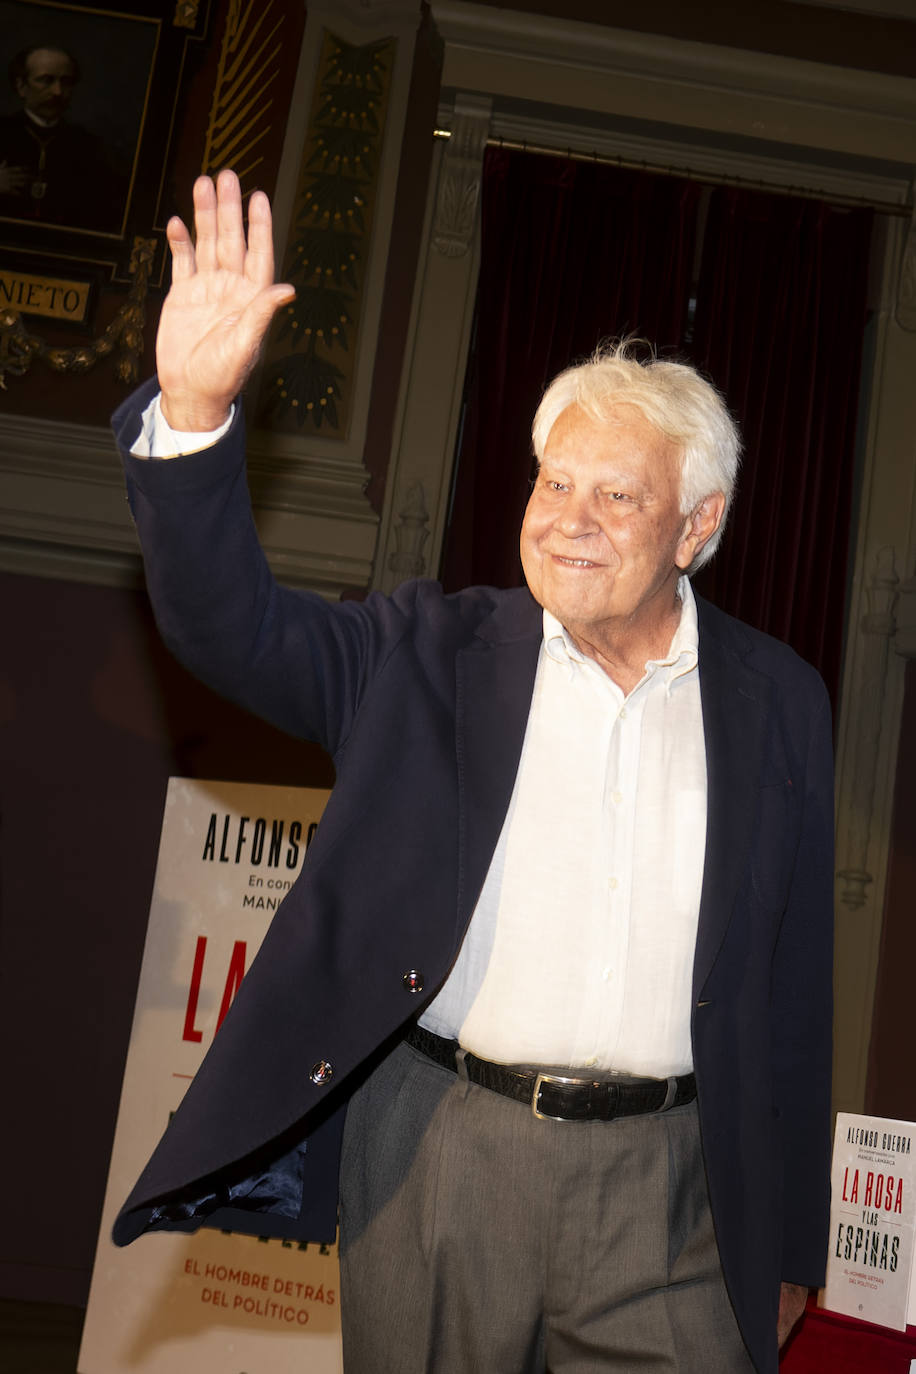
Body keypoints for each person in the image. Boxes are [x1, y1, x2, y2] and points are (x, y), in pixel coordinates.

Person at [110, 170, 834, 1374]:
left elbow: (795, 992)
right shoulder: (424, 652)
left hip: (676, 1196)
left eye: (615, 495)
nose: (569, 518)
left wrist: (795, 1240)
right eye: (554, 482)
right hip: (444, 1157)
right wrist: (190, 411)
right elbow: (227, 631)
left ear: (696, 528)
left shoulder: (778, 704)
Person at [0, 45, 124, 230]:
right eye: (46, 80)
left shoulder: (87, 145)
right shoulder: (3, 130)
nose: (57, 91)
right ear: (21, 86)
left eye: (66, 82)